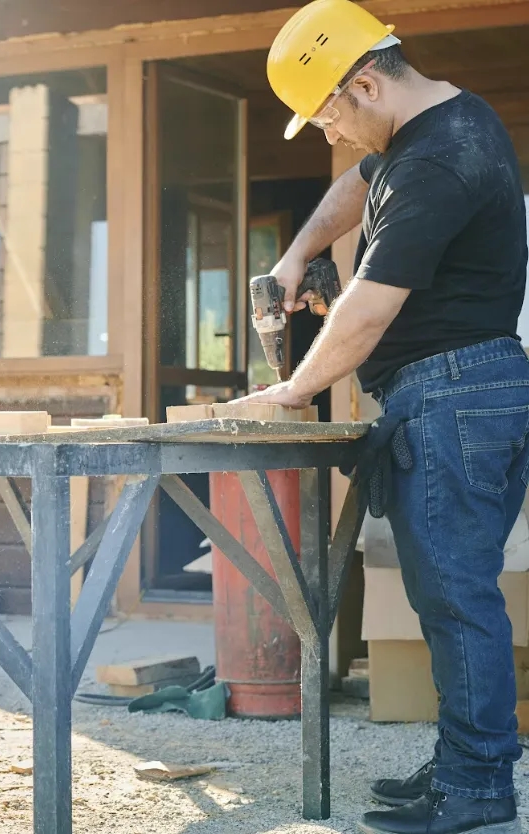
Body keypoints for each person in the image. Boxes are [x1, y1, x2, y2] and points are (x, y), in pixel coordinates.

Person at [239, 2, 529, 832]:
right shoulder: (435, 130)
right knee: (451, 596)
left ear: (364, 81)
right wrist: (296, 254)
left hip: (454, 393)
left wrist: (292, 391)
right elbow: (353, 188)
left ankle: (477, 790)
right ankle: (464, 767)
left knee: (456, 598)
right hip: (459, 390)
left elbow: (364, 312)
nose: (337, 132)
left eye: (332, 114)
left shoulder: (439, 160)